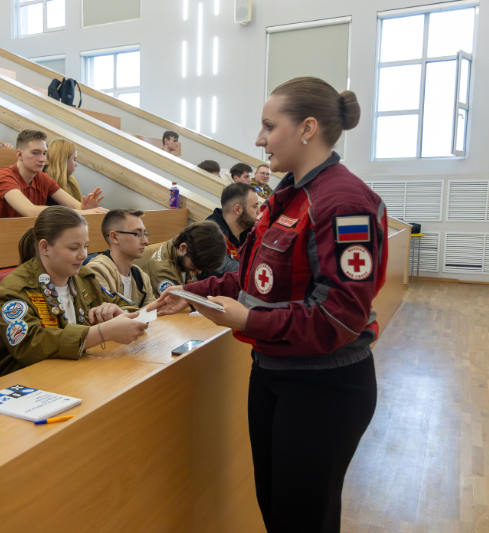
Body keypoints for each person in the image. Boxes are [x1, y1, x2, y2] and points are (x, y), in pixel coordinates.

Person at [150, 77, 387, 532]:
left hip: (324, 386)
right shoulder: (286, 195)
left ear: (307, 128)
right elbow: (252, 276)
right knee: (278, 512)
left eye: (269, 126)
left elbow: (339, 315)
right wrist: (190, 294)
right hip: (276, 372)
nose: (259, 139)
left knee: (303, 520)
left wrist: (249, 320)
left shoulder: (343, 202)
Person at [0, 206, 148, 383]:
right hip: (18, 384)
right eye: (74, 248)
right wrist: (102, 332)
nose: (83, 255)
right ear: (45, 247)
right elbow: (30, 346)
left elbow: (128, 307)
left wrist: (118, 312)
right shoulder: (14, 289)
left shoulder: (83, 277)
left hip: (73, 375)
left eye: (85, 246)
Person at [0, 130, 106, 219]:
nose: (43, 159)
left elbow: (76, 206)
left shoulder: (43, 178)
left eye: (44, 153)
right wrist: (81, 212)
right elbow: (30, 211)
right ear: (19, 155)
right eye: (35, 153)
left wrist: (85, 208)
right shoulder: (4, 176)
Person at [88, 209, 155, 307]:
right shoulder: (96, 271)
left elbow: (152, 312)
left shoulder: (142, 277)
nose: (145, 241)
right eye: (137, 234)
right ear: (114, 237)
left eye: (144, 234)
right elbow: (109, 314)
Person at [141, 220, 226, 297]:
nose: (199, 272)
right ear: (183, 248)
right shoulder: (163, 273)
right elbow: (173, 305)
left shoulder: (186, 246)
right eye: (193, 265)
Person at [200, 183, 260, 280]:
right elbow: (224, 270)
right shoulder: (208, 234)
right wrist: (262, 268)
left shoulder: (249, 230)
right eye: (254, 206)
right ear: (238, 209)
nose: (258, 211)